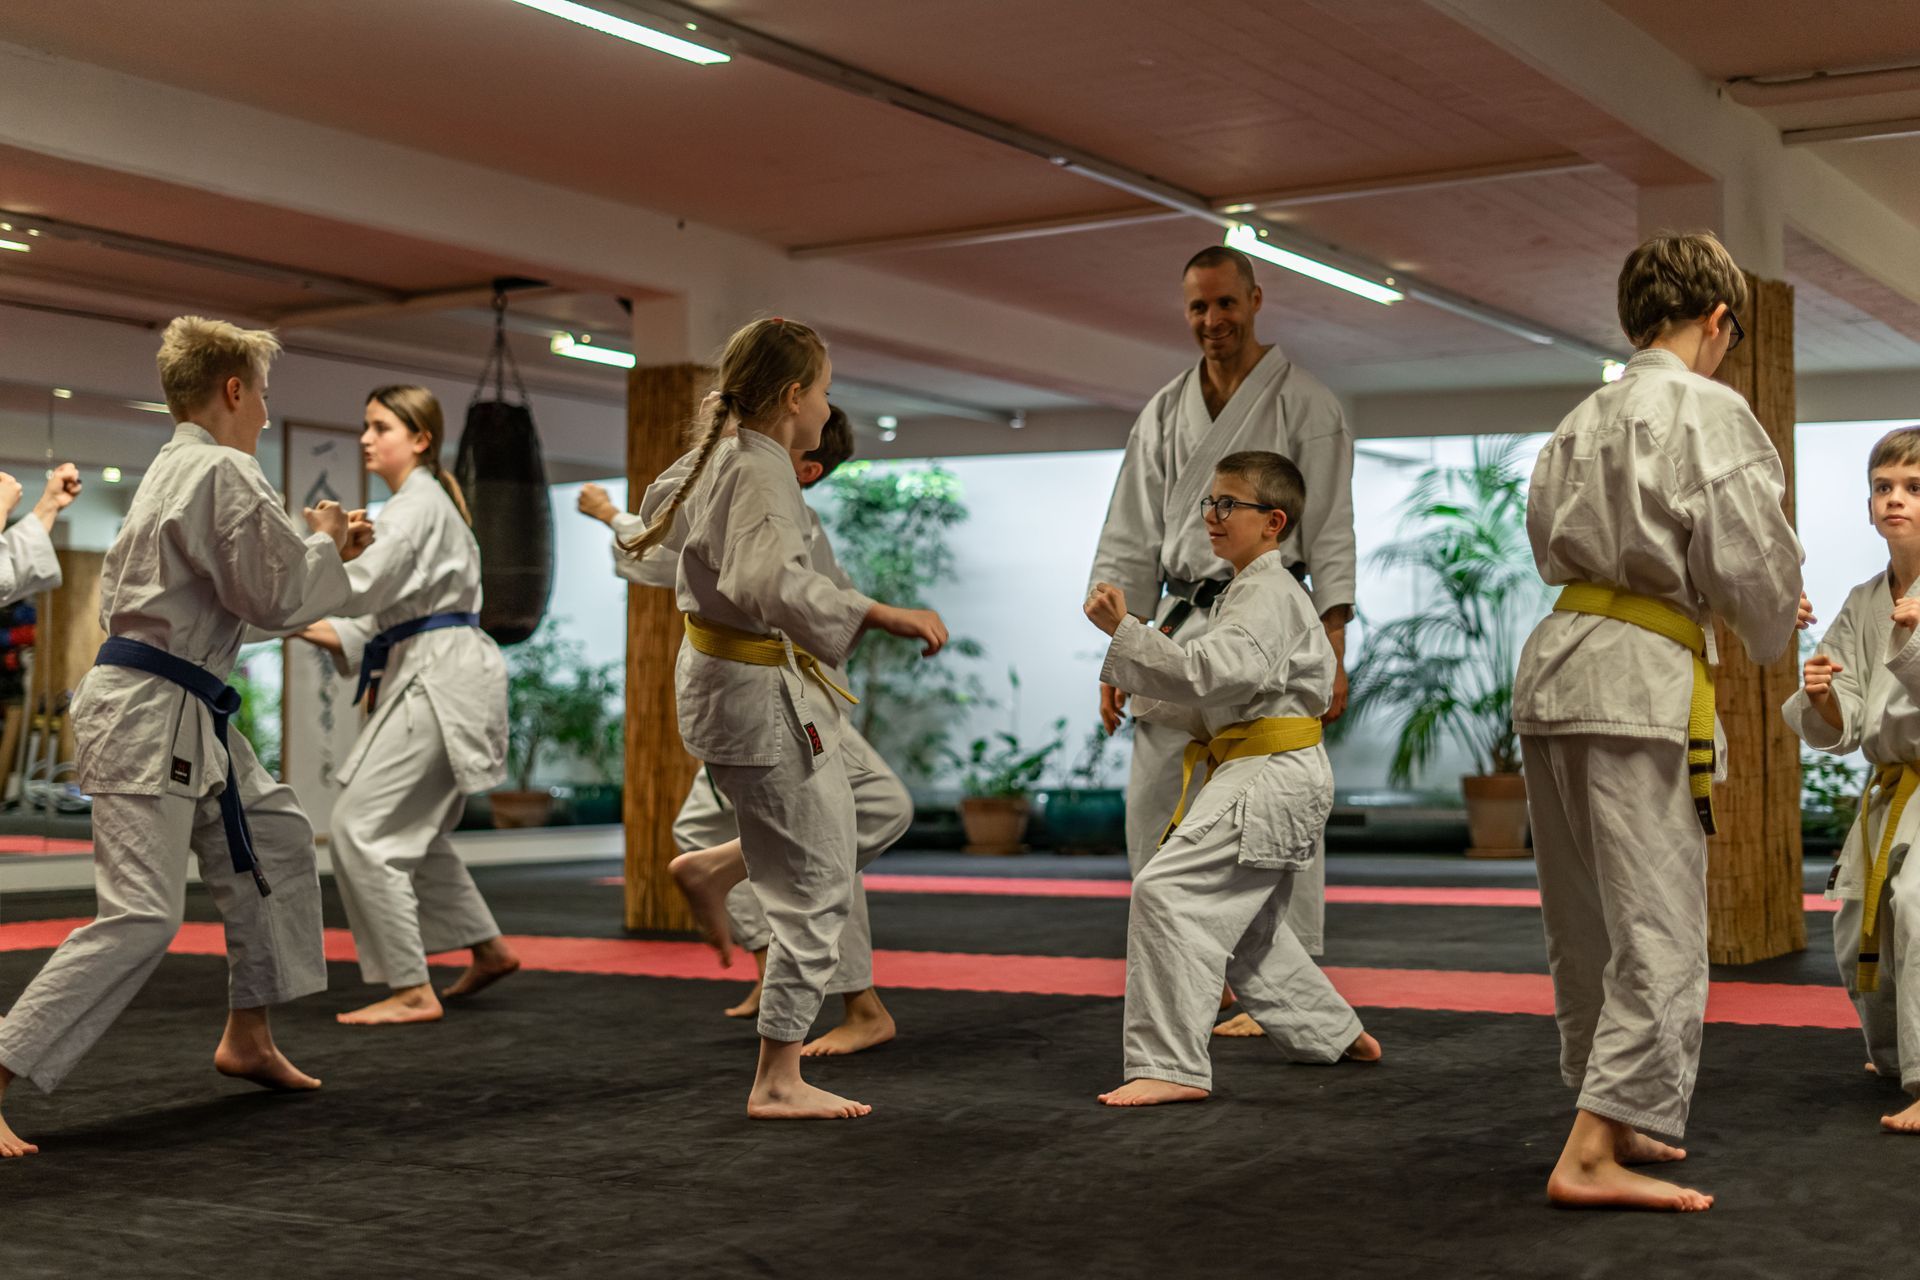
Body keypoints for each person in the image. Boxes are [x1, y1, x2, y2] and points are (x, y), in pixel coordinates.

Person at [0, 316, 373, 1157]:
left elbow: (243, 601)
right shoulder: (222, 471)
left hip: (182, 702)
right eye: (265, 395)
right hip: (148, 711)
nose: (269, 414)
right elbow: (277, 597)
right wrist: (326, 541)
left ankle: (249, 1032)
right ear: (234, 390)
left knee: (273, 834)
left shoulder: (181, 468)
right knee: (139, 913)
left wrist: (324, 550)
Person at [1514, 233, 1803, 1211]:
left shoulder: (1581, 416)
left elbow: (1548, 535)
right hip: (1639, 680)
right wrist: (1773, 615)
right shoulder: (1706, 407)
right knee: (1661, 924)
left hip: (1555, 668)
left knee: (1588, 918)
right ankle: (1592, 1148)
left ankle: (1619, 1107)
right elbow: (1753, 565)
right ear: (1718, 321)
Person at [630, 317, 944, 1118]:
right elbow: (768, 580)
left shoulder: (719, 457)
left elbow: (654, 539)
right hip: (753, 690)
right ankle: (776, 1079)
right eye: (826, 390)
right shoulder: (760, 469)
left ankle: (719, 869)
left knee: (827, 845)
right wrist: (875, 610)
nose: (826, 406)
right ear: (796, 396)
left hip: (722, 682)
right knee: (818, 885)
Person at [579, 405, 909, 1055]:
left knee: (857, 820)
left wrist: (875, 614)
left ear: (807, 465)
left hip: (785, 696)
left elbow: (788, 595)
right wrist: (615, 516)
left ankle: (850, 998)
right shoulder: (737, 485)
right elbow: (661, 549)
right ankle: (779, 971)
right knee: (738, 832)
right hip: (752, 694)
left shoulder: (787, 513)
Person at [1090, 244, 1355, 1036]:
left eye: (1226, 304)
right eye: (1198, 308)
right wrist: (1121, 651)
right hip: (1176, 615)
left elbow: (1332, 524)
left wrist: (1335, 639)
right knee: (1152, 797)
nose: (1212, 322)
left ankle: (1288, 987)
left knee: (1272, 800)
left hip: (1266, 611)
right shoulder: (1165, 411)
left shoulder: (1307, 403)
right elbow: (1131, 530)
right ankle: (1184, 976)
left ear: (1256, 300)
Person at [1087, 450, 1378, 1107]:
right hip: (1269, 769)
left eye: (1228, 505)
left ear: (1273, 522)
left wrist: (1125, 633)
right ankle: (1331, 1033)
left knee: (1164, 891)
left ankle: (1170, 1066)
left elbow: (1209, 675)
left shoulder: (1268, 593)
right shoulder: (1249, 590)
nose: (1212, 517)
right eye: (1209, 504)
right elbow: (1212, 692)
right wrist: (1129, 680)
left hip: (1269, 772)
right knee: (1248, 930)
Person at [295, 385, 520, 1026]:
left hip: (439, 676)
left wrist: (329, 546)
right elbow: (365, 620)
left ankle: (412, 986)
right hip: (434, 665)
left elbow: (359, 590)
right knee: (414, 830)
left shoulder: (415, 505)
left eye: (381, 426)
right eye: (364, 426)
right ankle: (489, 948)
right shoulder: (417, 506)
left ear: (420, 439)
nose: (367, 438)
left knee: (362, 828)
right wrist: (272, 613)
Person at [1784, 425, 1920, 1133]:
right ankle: (1897, 1058)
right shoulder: (1866, 599)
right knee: (1853, 929)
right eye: (1883, 487)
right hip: (1894, 787)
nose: (1895, 499)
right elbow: (1846, 717)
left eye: (1915, 488)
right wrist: (1823, 694)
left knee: (1918, 908)